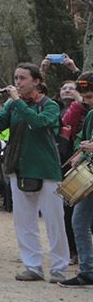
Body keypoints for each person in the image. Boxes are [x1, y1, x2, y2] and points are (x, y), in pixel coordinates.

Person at [0, 63, 71, 281]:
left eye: (23, 78)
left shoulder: (49, 105)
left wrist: (15, 101)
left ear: (36, 81)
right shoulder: (13, 105)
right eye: (16, 78)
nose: (18, 82)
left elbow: (39, 122)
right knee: (24, 221)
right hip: (19, 168)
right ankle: (32, 265)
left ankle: (59, 267)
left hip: (46, 170)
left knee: (54, 220)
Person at [61, 75, 93, 288]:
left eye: (91, 96)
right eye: (87, 97)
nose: (89, 100)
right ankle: (87, 271)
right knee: (78, 222)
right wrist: (78, 155)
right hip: (89, 176)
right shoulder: (90, 114)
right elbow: (83, 137)